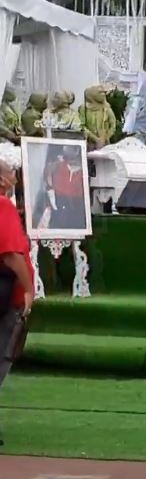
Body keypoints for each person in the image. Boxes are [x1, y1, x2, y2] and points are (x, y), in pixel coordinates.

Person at [0, 160, 33, 382]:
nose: (16, 178)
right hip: (6, 294)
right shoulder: (3, 206)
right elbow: (11, 254)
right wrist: (29, 290)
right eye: (12, 173)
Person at [78, 85, 117, 150]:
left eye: (104, 92)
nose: (103, 94)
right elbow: (81, 126)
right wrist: (95, 139)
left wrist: (106, 137)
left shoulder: (106, 107)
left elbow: (113, 124)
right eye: (100, 92)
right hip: (89, 143)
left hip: (104, 143)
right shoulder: (83, 108)